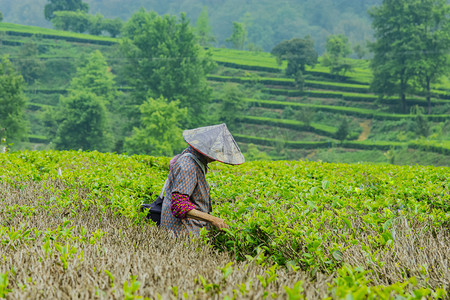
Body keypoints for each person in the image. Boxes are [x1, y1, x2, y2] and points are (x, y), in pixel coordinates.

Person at [160, 123, 245, 236]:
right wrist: (213, 220)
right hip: (181, 236)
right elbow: (179, 205)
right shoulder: (188, 166)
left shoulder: (193, 159)